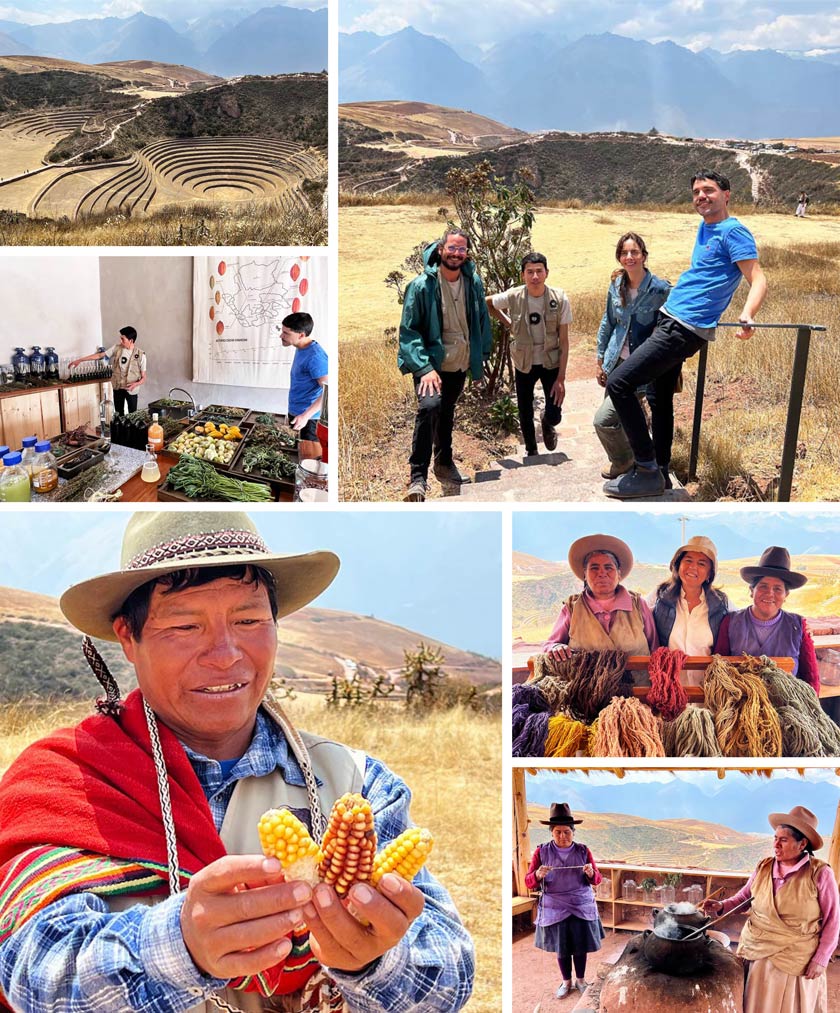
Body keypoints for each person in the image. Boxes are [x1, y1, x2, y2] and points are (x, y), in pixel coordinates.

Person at [0, 512, 474, 1013]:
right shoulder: (64, 783)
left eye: (249, 620)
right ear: (127, 638)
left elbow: (448, 978)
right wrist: (178, 946)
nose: (225, 654)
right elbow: (35, 973)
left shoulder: (358, 785)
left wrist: (375, 963)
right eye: (185, 625)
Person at [603, 170, 767, 499]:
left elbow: (758, 279)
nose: (701, 196)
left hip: (683, 328)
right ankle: (661, 471)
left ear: (727, 194)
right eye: (696, 192)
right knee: (658, 399)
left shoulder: (734, 231)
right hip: (672, 319)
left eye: (709, 190)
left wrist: (748, 314)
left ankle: (646, 468)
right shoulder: (706, 227)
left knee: (619, 384)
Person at [703, 806, 839, 1013]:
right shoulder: (764, 867)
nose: (775, 844)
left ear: (802, 844)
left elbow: (833, 920)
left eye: (783, 840)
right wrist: (722, 906)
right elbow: (745, 897)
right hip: (757, 951)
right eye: (775, 838)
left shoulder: (820, 874)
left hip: (795, 959)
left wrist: (820, 959)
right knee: (756, 1005)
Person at [398, 228, 492, 502]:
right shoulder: (421, 286)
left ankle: (444, 462)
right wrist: (424, 368)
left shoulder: (472, 282)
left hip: (460, 361)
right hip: (431, 363)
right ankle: (417, 478)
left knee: (447, 410)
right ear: (440, 250)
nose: (456, 253)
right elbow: (409, 331)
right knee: (429, 409)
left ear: (467, 253)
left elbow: (481, 321)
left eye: (461, 249)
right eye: (451, 248)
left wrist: (479, 359)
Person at [594, 233, 671, 481]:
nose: (630, 257)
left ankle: (626, 461)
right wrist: (600, 357)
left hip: (643, 366)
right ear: (619, 257)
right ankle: (634, 460)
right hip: (616, 362)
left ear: (644, 256)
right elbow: (608, 321)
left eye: (634, 252)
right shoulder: (616, 286)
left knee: (604, 421)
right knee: (622, 419)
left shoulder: (660, 289)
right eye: (625, 253)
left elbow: (672, 326)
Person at [485, 252, 570, 456]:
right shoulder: (514, 296)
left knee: (555, 413)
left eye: (539, 271)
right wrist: (510, 324)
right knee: (524, 409)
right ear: (523, 274)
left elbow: (565, 342)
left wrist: (561, 378)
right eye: (530, 272)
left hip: (550, 361)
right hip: (524, 361)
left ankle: (547, 422)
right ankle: (532, 450)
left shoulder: (559, 299)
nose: (535, 277)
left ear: (546, 273)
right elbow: (488, 303)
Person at [542, 535, 658, 677]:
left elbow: (655, 649)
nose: (602, 573)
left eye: (608, 567)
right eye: (594, 568)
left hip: (636, 693)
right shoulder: (572, 608)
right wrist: (556, 647)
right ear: (585, 574)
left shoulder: (638, 604)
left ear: (619, 574)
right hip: (585, 691)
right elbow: (550, 645)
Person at [713, 545, 819, 693]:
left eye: (777, 589)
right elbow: (718, 668)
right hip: (739, 704)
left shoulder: (798, 626)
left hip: (787, 707)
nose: (770, 594)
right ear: (752, 591)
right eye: (763, 586)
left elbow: (811, 677)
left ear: (786, 595)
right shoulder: (731, 622)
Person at [525, 803, 604, 999]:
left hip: (580, 904)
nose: (563, 836)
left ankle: (581, 980)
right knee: (562, 948)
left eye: (567, 832)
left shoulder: (583, 851)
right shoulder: (541, 852)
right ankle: (566, 981)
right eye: (558, 832)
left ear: (573, 832)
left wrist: (591, 872)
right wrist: (537, 874)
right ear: (551, 832)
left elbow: (597, 880)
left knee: (579, 945)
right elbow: (528, 882)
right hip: (555, 906)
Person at [650, 535, 729, 684]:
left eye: (701, 563)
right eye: (688, 560)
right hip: (669, 693)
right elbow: (641, 617)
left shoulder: (721, 604)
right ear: (678, 565)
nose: (693, 567)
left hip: (705, 694)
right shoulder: (660, 596)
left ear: (709, 574)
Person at [70, 325, 146, 415]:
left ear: (131, 340)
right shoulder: (117, 348)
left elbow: (144, 378)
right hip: (118, 388)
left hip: (132, 389)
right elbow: (99, 355)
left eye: (123, 339)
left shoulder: (141, 355)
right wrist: (80, 360)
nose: (120, 341)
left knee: (133, 415)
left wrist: (136, 384)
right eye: (120, 338)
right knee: (118, 414)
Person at [278, 311, 328, 440]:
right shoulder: (300, 347)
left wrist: (305, 416)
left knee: (307, 458)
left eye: (286, 333)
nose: (281, 336)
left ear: (301, 335)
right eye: (282, 331)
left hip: (309, 420)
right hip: (297, 414)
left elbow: (329, 392)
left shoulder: (315, 357)